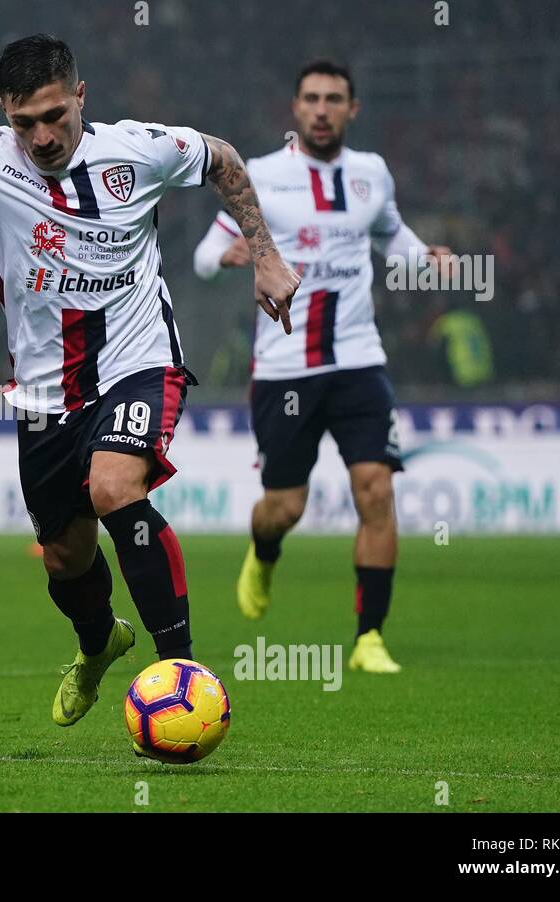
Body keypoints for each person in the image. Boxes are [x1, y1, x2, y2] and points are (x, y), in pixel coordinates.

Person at [0, 34, 298, 740]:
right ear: (5, 111)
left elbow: (223, 159)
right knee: (66, 558)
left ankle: (180, 676)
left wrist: (266, 260)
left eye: (55, 115)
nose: (43, 135)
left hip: (138, 361)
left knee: (115, 487)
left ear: (80, 96)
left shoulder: (136, 149)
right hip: (42, 395)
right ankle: (98, 643)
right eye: (26, 121)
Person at [193, 60, 453, 673]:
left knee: (377, 490)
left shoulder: (372, 175)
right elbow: (204, 257)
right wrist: (231, 256)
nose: (321, 109)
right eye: (311, 98)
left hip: (361, 362)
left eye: (334, 99)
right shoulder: (258, 175)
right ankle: (263, 551)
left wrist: (430, 258)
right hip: (286, 368)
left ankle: (369, 639)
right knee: (285, 506)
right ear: (295, 108)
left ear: (352, 109)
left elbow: (398, 243)